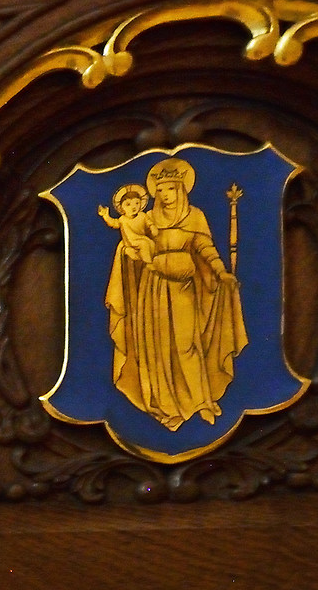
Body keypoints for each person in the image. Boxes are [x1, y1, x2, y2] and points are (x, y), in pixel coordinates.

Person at [104, 156, 247, 432]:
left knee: (186, 344)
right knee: (154, 347)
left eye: (170, 188)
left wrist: (221, 273)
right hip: (152, 286)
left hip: (182, 286)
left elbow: (206, 249)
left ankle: (201, 401)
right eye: (159, 190)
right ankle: (164, 406)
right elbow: (130, 244)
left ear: (181, 189)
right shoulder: (147, 218)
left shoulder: (195, 216)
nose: (164, 194)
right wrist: (127, 253)